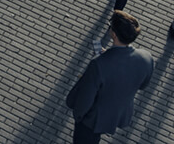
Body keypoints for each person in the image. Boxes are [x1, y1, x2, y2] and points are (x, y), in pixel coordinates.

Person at [66, 10, 154, 143]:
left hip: (93, 119)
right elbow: (143, 85)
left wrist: (78, 115)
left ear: (113, 34)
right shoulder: (146, 58)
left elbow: (85, 99)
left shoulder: (98, 65)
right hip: (118, 113)